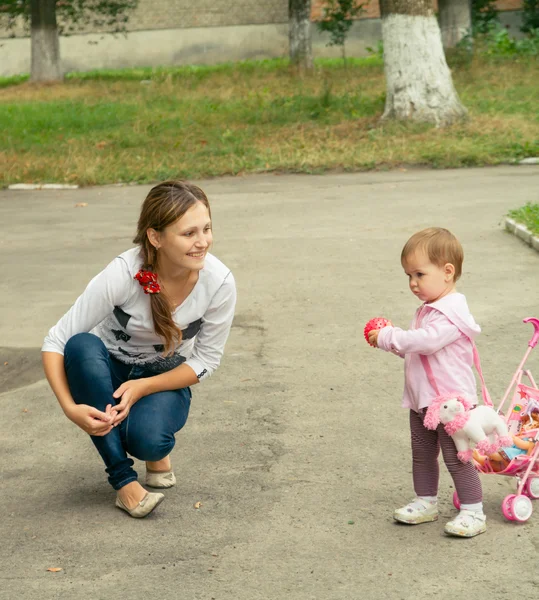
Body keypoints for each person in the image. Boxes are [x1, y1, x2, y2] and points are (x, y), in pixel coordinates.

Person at [42, 180, 236, 518]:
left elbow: (207, 361)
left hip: (163, 375)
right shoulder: (122, 273)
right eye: (188, 233)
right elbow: (56, 341)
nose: (202, 242)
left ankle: (153, 449)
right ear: (155, 237)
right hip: (107, 369)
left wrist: (144, 386)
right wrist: (69, 408)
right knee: (81, 345)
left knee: (147, 439)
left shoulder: (219, 283)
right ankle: (123, 481)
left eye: (206, 228)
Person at [368, 227, 487, 538]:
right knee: (421, 453)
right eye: (408, 275)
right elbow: (418, 352)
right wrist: (393, 343)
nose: (412, 283)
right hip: (422, 400)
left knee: (456, 456)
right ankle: (426, 501)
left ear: (447, 272)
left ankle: (474, 511)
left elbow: (427, 342)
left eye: (419, 274)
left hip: (449, 404)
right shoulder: (428, 310)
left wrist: (390, 336)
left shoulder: (450, 313)